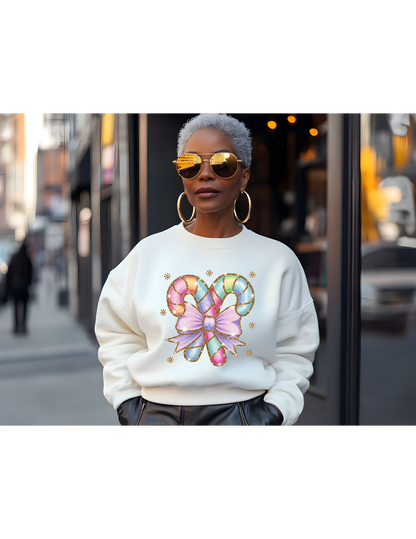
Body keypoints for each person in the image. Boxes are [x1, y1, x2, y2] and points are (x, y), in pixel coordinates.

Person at [95, 110, 320, 429]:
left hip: (244, 417)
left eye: (222, 164)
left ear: (244, 176)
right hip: (155, 417)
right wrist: (128, 405)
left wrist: (274, 413)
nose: (205, 175)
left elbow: (296, 351)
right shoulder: (147, 255)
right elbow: (116, 332)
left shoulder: (277, 261)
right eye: (190, 164)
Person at [6, 239, 33, 334]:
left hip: (15, 287)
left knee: (16, 308)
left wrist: (8, 287)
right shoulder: (27, 259)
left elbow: (8, 274)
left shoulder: (14, 258)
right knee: (24, 307)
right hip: (24, 287)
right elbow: (30, 274)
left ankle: (16, 326)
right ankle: (23, 326)